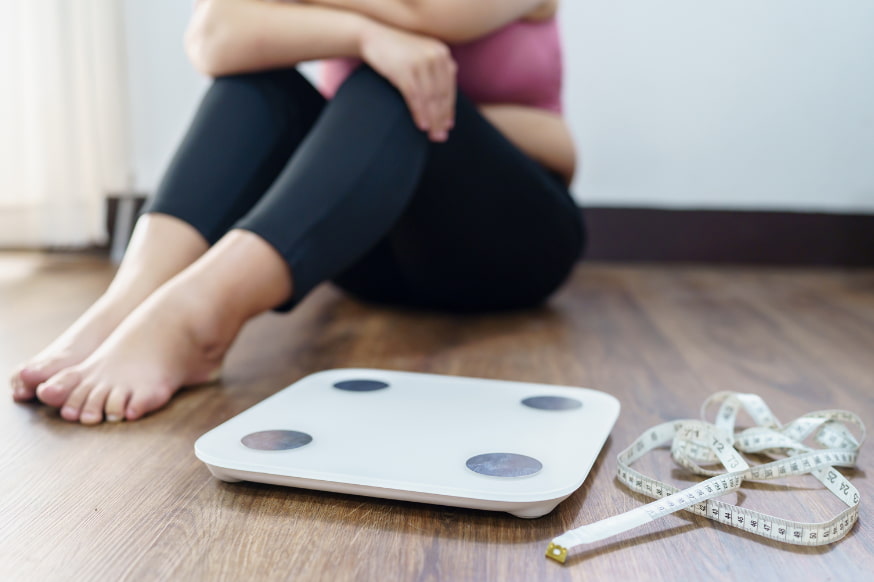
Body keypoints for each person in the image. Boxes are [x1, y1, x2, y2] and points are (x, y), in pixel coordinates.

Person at [9, 0, 584, 424]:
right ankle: (129, 303)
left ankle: (194, 319)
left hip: (512, 246)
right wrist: (363, 34)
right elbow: (212, 34)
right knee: (255, 86)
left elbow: (425, 11)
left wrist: (413, 86)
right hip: (366, 251)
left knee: (392, 84)